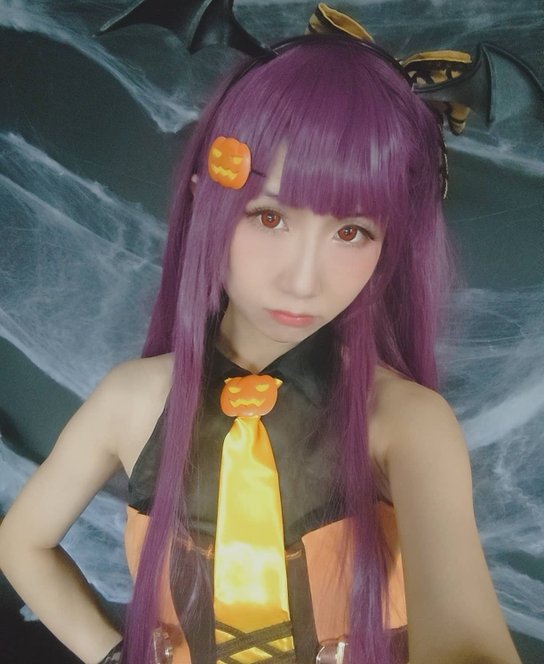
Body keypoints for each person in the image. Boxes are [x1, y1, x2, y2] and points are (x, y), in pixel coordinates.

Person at [0, 34, 523, 664]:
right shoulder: (133, 399)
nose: (302, 281)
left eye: (352, 231)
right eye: (270, 217)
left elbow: (467, 644)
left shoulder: (407, 424)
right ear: (206, 199)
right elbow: (20, 542)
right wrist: (113, 655)